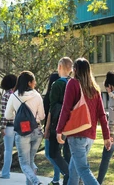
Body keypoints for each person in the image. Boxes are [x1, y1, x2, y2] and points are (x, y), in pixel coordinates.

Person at [56, 58, 112, 185]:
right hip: (90, 136)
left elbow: (65, 109)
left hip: (77, 135)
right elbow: (102, 115)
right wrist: (106, 136)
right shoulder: (95, 89)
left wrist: (59, 130)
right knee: (74, 170)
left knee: (82, 169)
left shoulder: (73, 83)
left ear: (75, 70)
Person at [5, 71, 45, 185]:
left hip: (22, 133)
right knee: (30, 162)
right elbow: (42, 116)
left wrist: (18, 116)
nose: (35, 83)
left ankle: (36, 182)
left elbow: (7, 116)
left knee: (24, 163)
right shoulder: (37, 95)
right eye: (34, 81)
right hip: (36, 130)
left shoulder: (14, 96)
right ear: (29, 82)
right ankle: (33, 178)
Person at [45, 57, 73, 185]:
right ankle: (70, 179)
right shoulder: (75, 83)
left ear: (60, 66)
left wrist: (47, 128)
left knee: (53, 153)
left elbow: (52, 108)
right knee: (68, 154)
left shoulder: (57, 84)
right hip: (73, 124)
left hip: (58, 124)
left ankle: (71, 175)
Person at [0, 74, 17, 179]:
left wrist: (2, 127)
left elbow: (5, 113)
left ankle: (5, 173)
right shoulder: (18, 94)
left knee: (8, 150)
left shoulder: (6, 95)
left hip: (9, 126)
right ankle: (33, 167)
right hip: (18, 126)